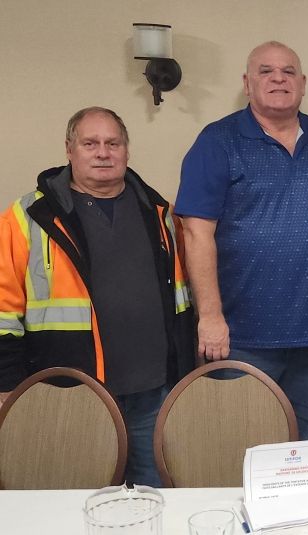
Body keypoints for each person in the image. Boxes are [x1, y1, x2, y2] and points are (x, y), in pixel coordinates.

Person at [175, 41, 308, 439]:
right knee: (239, 440)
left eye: (288, 71)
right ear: (247, 83)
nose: (278, 78)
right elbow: (196, 232)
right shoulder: (217, 141)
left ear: (303, 83)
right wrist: (210, 318)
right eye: (265, 71)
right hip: (239, 335)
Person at [0, 107, 195, 487]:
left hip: (153, 392)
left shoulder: (160, 213)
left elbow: (184, 300)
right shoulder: (28, 217)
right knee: (75, 502)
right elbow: (3, 310)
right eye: (90, 143)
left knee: (155, 501)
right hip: (69, 392)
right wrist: (7, 385)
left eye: (113, 143)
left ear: (126, 150)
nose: (102, 152)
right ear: (69, 150)